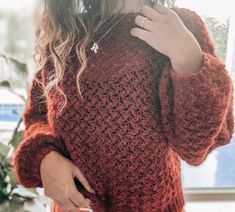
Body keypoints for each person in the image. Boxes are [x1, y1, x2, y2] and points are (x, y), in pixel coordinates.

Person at [13, 0, 234, 212]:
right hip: (74, 206)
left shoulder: (179, 25)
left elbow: (198, 146)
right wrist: (45, 158)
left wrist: (189, 59)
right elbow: (39, 117)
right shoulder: (65, 33)